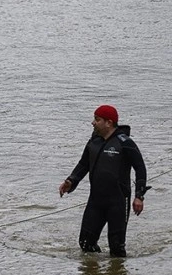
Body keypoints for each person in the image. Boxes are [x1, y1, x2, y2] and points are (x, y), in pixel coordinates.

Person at [58, 105, 150, 257]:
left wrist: (139, 196)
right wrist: (71, 181)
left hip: (119, 201)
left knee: (117, 248)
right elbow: (83, 164)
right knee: (85, 244)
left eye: (97, 119)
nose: (93, 123)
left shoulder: (125, 143)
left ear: (109, 122)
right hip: (95, 201)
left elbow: (140, 169)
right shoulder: (94, 141)